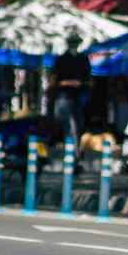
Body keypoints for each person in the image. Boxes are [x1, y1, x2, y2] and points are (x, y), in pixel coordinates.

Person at [48, 33, 93, 166]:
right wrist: (66, 83)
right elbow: (54, 81)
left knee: (78, 126)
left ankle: (75, 155)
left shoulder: (83, 59)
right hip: (64, 96)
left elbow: (90, 80)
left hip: (80, 96)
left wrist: (82, 85)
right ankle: (73, 155)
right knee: (70, 126)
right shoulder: (61, 60)